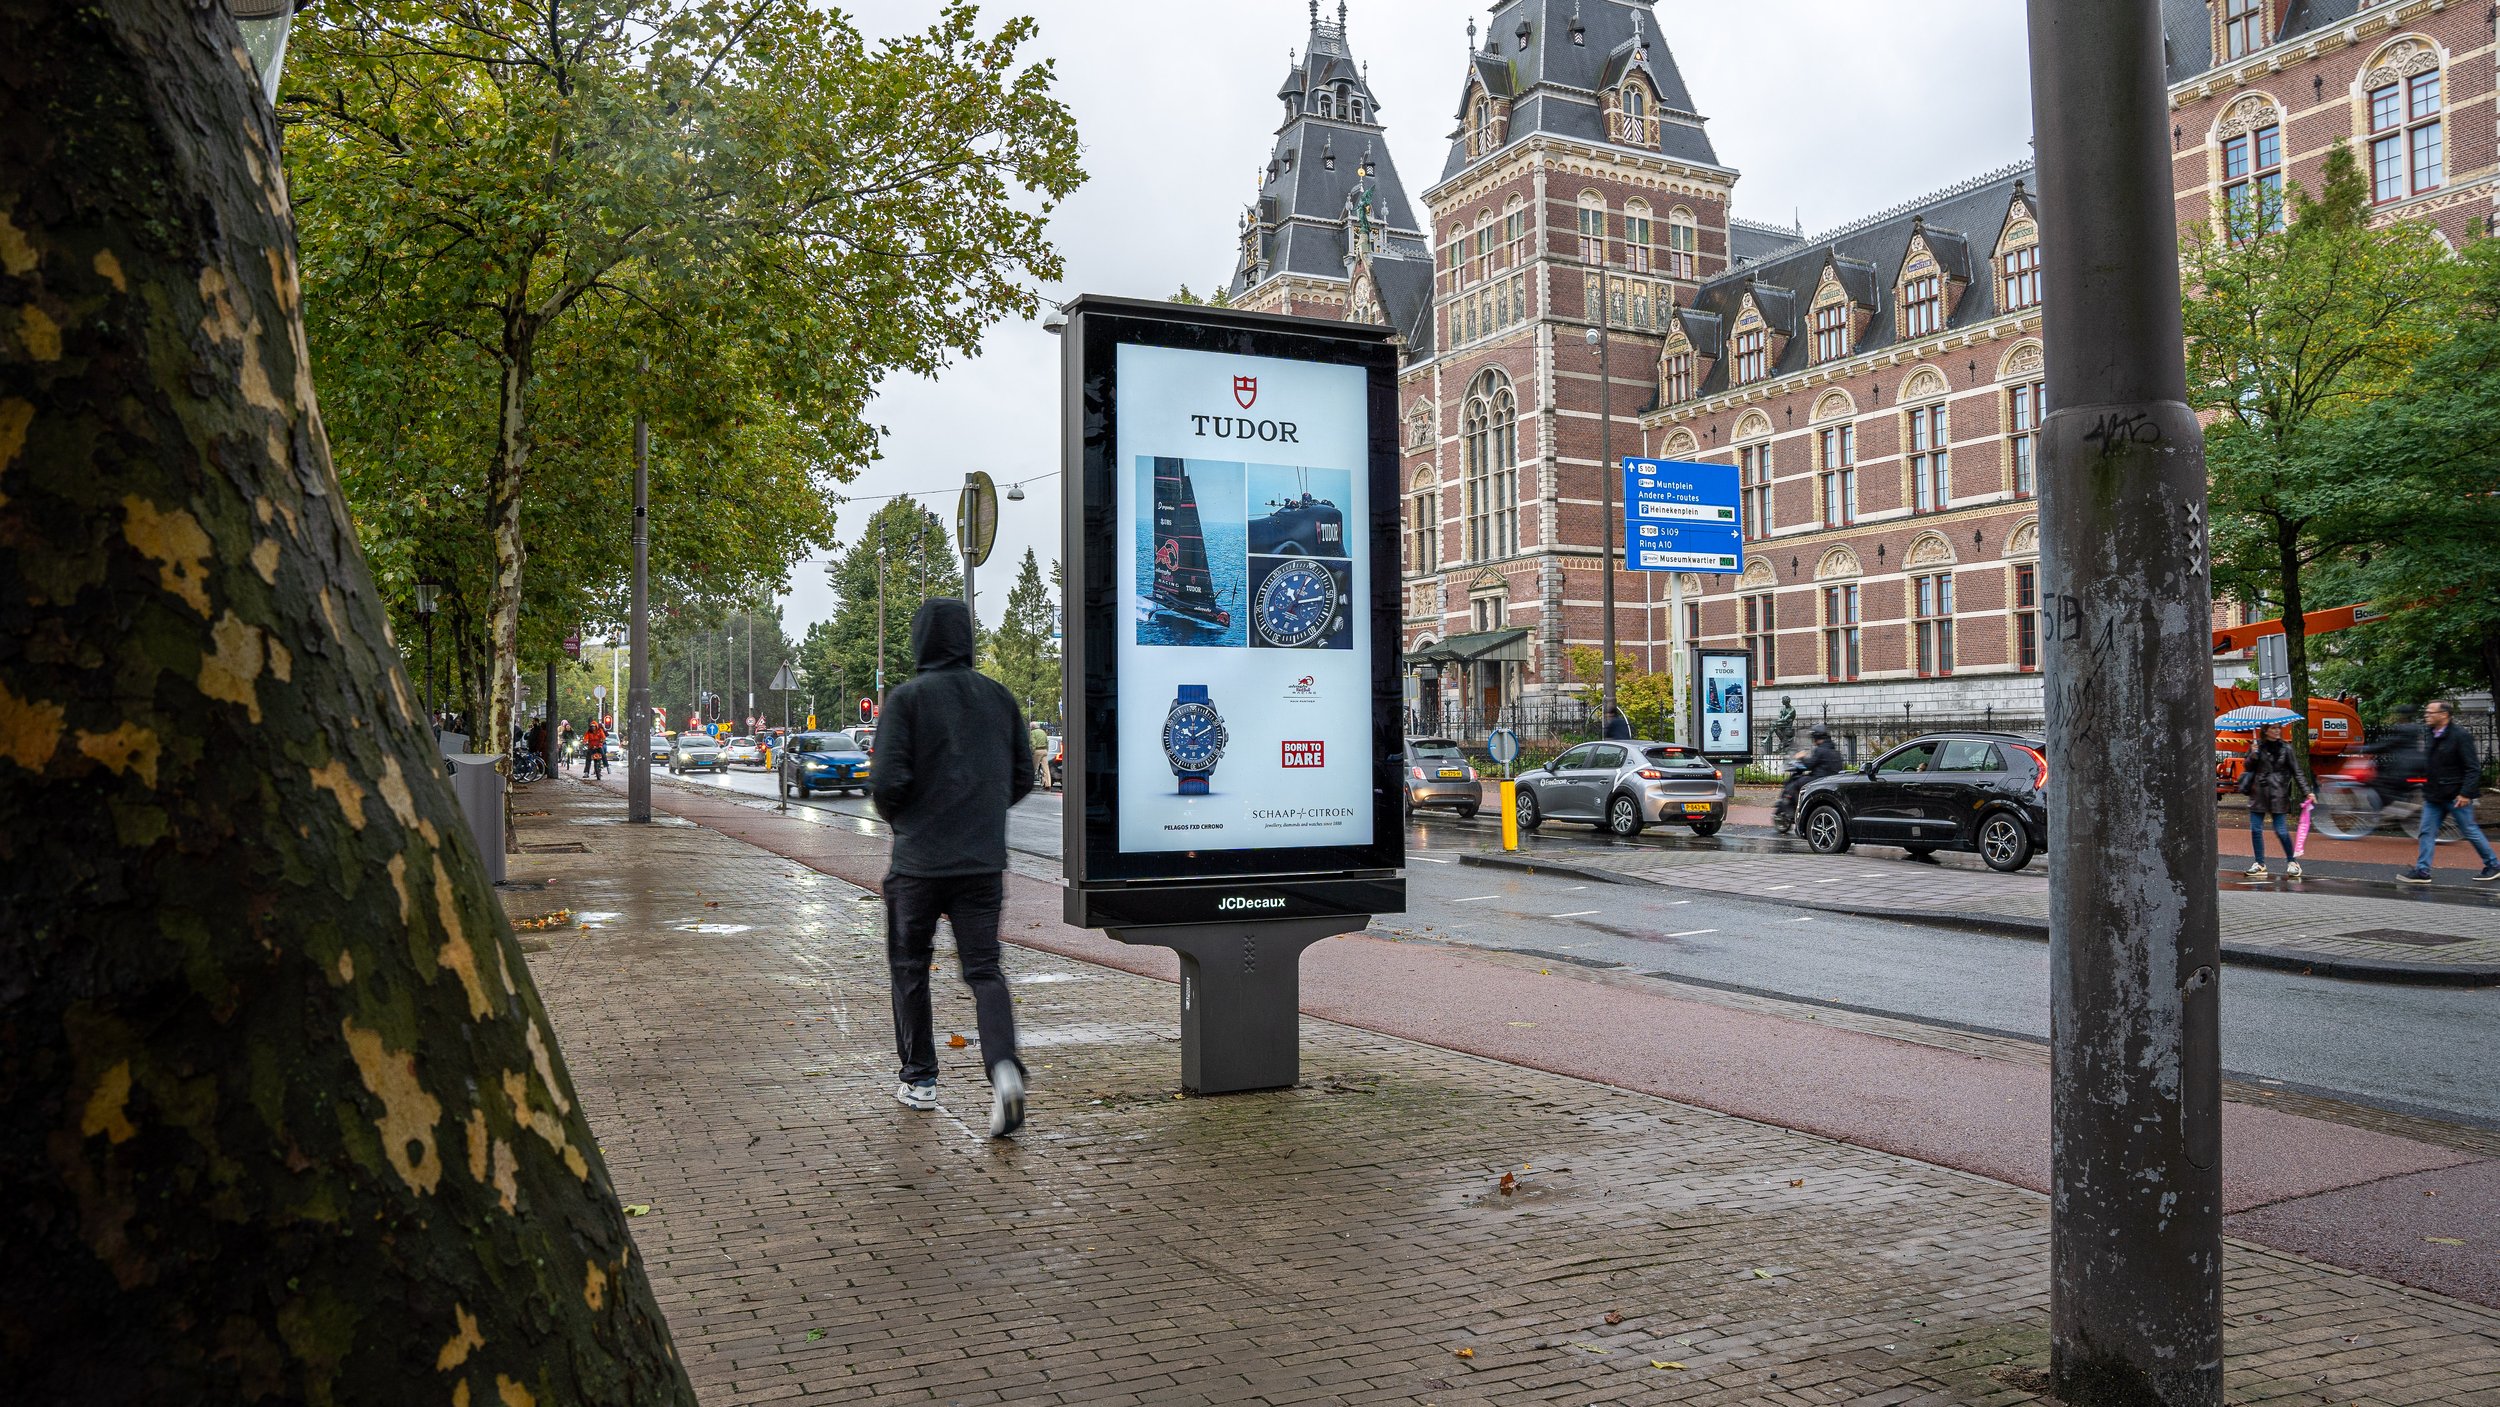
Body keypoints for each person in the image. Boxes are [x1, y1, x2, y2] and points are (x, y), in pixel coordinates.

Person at [870, 598, 1035, 1137]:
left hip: (918, 863)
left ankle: (920, 1079)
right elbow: (1023, 777)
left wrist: (909, 821)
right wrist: (980, 813)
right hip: (981, 862)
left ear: (921, 640)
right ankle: (1004, 1070)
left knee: (910, 968)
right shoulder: (999, 697)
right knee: (984, 970)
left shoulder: (907, 700)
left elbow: (888, 784)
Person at [2398, 699, 2500, 884]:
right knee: (2426, 831)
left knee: (2469, 830)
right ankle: (2422, 871)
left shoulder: (2460, 736)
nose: (2426, 715)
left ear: (2444, 715)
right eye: (2426, 712)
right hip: (2434, 794)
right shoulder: (2430, 734)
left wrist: (2466, 793)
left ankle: (2493, 865)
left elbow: (2473, 768)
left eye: (2430, 712)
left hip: (2455, 795)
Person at [2238, 723, 2306, 879]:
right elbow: (2247, 766)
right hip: (2258, 793)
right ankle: (2260, 864)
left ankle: (2292, 862)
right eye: (2273, 728)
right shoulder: (2257, 746)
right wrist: (2253, 754)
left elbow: (2297, 771)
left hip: (2278, 794)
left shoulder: (2286, 748)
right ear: (2265, 731)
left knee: (2281, 830)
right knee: (2256, 829)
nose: (2277, 731)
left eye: (2278, 728)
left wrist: (2306, 792)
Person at [2354, 704, 2428, 825]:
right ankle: (2397, 810)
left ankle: (2398, 811)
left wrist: (2364, 749)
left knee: (2376, 782)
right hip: (2418, 764)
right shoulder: (2417, 727)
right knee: (2391, 785)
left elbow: (2388, 744)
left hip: (2405, 766)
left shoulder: (2402, 729)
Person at [1773, 725, 1843, 835]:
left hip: (1818, 780)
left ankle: (1798, 808)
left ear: (1816, 737)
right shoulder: (1834, 751)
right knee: (1802, 780)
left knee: (1796, 783)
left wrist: (1800, 757)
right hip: (1830, 781)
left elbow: (1809, 765)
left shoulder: (1821, 750)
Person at [1029, 719, 1051, 789]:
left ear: (1032, 727)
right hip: (1044, 750)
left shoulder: (1033, 732)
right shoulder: (1043, 732)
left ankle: (1029, 783)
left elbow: (1033, 743)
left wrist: (1032, 751)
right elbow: (1047, 742)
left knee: (1033, 767)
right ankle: (1048, 784)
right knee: (1046, 768)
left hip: (1037, 751)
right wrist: (1046, 750)